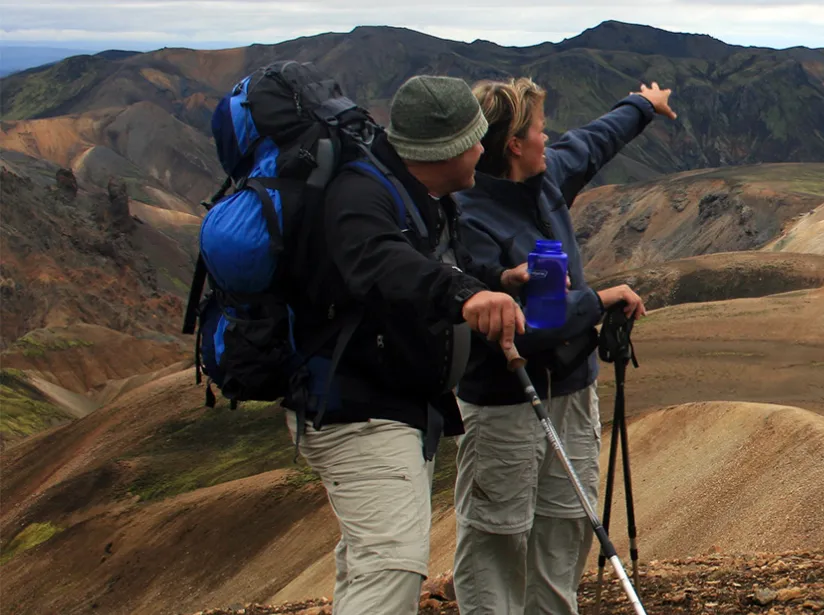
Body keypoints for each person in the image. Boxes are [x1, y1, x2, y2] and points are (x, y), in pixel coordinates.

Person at [283, 75, 524, 615]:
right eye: (474, 140)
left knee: (370, 557)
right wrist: (464, 295)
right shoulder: (361, 195)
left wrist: (496, 281)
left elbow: (432, 262)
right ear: (446, 150)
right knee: (391, 563)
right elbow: (381, 263)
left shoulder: (417, 193)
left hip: (388, 407)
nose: (483, 150)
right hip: (356, 410)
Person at [451, 76, 676, 614]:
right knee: (496, 534)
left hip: (572, 390)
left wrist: (643, 104)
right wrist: (599, 300)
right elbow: (533, 324)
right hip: (505, 400)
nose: (548, 139)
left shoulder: (545, 180)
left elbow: (595, 140)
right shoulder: (466, 218)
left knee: (566, 524)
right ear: (514, 145)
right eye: (540, 130)